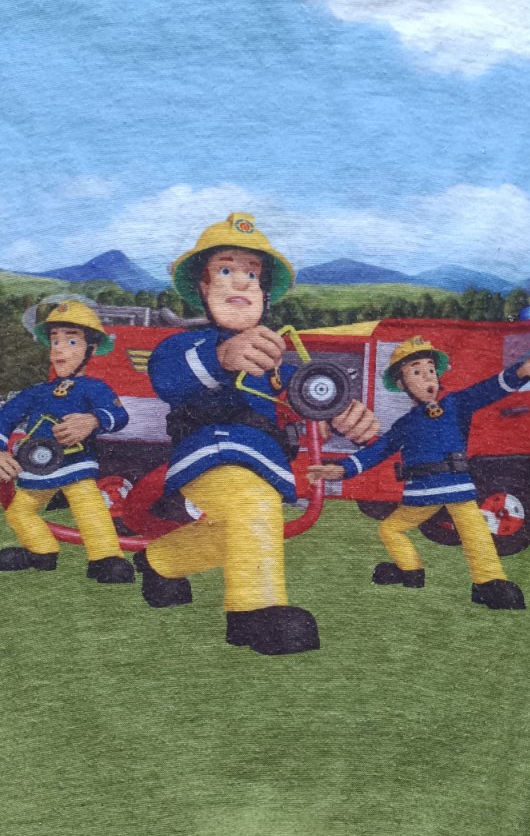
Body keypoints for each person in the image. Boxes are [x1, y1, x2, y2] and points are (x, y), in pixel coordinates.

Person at [136, 212, 378, 654]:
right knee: (252, 503)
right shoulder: (184, 346)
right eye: (225, 270)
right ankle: (253, 615)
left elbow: (307, 408)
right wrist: (223, 357)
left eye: (252, 274)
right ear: (203, 287)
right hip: (211, 453)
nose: (241, 282)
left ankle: (160, 561)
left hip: (264, 461)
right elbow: (167, 378)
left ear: (264, 294)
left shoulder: (278, 368)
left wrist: (343, 416)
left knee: (242, 531)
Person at [308, 334, 530, 608]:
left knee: (475, 532)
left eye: (430, 370)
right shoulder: (404, 424)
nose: (427, 377)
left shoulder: (455, 405)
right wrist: (342, 469)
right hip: (420, 494)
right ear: (402, 384)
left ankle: (489, 582)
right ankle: (410, 570)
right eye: (416, 372)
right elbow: (377, 451)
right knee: (391, 529)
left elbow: (487, 390)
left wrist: (521, 372)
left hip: (455, 488)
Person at [0, 299, 133, 583]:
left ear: (91, 349)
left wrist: (93, 420)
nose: (59, 348)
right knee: (19, 512)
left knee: (90, 508)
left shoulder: (95, 388)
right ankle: (41, 551)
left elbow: (118, 415)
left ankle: (105, 558)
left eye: (71, 341)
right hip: (36, 468)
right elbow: (1, 418)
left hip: (76, 465)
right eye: (54, 340)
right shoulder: (36, 392)